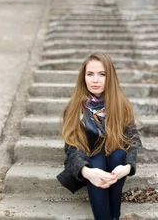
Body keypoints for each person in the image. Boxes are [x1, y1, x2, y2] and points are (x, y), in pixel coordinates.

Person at [56, 52, 142, 220]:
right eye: (90, 74)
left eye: (102, 74)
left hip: (114, 163)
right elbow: (73, 148)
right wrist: (88, 172)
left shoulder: (121, 106)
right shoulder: (74, 109)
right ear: (83, 78)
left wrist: (127, 168)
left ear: (110, 78)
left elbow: (132, 141)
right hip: (89, 165)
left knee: (119, 154)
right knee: (98, 160)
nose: (95, 80)